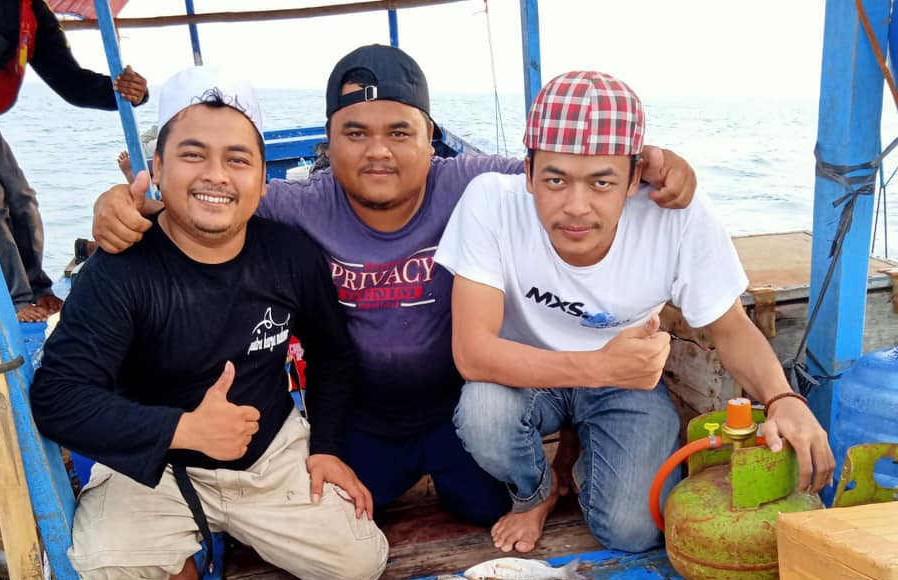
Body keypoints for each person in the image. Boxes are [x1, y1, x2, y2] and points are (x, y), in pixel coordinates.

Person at [91, 45, 698, 529]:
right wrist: (121, 204)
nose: (378, 151)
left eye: (400, 132)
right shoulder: (298, 205)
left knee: (486, 507)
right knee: (344, 519)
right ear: (328, 143)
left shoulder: (472, 181)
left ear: (431, 137)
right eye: (355, 133)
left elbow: (571, 171)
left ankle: (561, 467)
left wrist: (659, 162)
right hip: (362, 418)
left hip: (454, 411)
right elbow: (214, 200)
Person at [30, 65, 388, 580]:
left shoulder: (290, 254)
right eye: (193, 155)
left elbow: (333, 354)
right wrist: (182, 429)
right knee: (103, 564)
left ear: (263, 180)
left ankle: (220, 537)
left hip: (267, 456)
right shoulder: (118, 271)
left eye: (239, 159)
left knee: (360, 563)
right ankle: (191, 541)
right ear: (157, 170)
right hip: (160, 468)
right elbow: (56, 397)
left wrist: (327, 447)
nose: (216, 176)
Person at [434, 70, 835, 555]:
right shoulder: (490, 202)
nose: (576, 207)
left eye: (602, 182)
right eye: (555, 179)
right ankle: (535, 491)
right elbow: (473, 354)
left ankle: (579, 460)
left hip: (624, 382)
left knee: (634, 530)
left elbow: (730, 328)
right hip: (528, 374)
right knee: (483, 412)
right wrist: (597, 364)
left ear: (633, 178)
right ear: (528, 170)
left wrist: (781, 398)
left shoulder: (679, 217)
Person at [0, 0, 149, 322]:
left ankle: (37, 290)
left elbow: (71, 82)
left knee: (22, 199)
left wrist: (122, 92)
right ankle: (16, 301)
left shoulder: (31, 13)